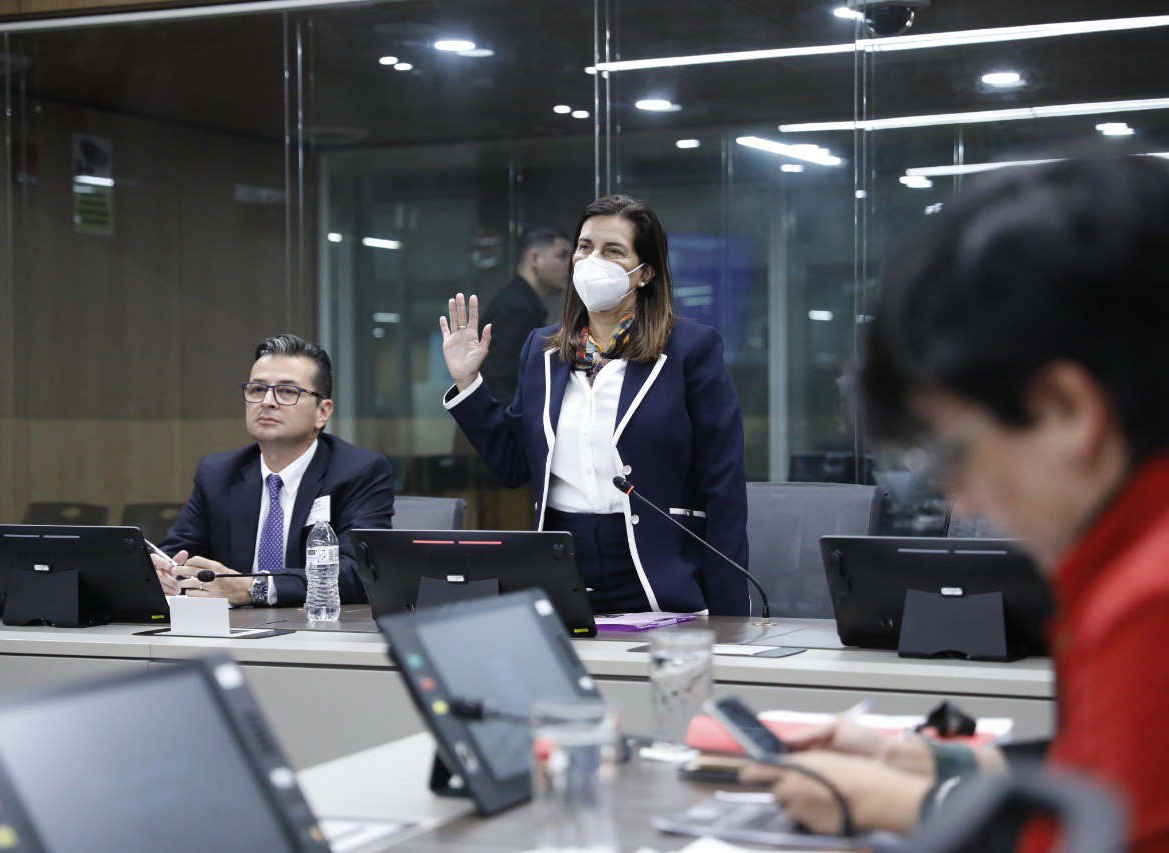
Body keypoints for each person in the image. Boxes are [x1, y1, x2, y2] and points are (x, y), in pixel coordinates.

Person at [743, 157, 1169, 851]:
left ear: (1064, 410)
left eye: (953, 452)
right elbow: (1106, 773)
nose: (959, 499)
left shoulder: (1152, 598)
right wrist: (941, 763)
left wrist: (902, 802)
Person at [440, 194, 750, 615]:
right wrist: (467, 382)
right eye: (584, 247)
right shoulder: (543, 350)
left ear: (645, 273)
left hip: (656, 570)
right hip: (560, 564)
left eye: (613, 251)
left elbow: (723, 484)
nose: (592, 261)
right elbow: (514, 465)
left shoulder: (690, 349)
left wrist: (731, 613)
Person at [153, 334, 394, 607]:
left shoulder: (359, 472)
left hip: (316, 625)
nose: (267, 401)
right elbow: (177, 553)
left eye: (287, 392)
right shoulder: (217, 473)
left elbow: (359, 571)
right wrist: (163, 571)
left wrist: (255, 588)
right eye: (257, 389)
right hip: (230, 625)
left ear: (322, 412)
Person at [481, 225, 572, 408]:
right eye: (562, 256)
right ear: (534, 259)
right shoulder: (516, 309)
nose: (570, 265)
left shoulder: (520, 302)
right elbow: (494, 384)